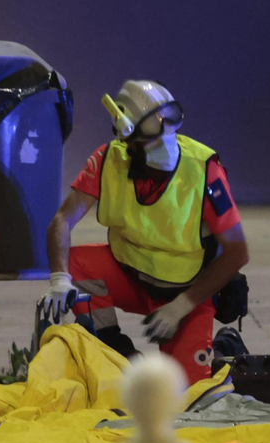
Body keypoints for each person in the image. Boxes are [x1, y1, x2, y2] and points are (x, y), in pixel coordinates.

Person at [39, 80, 249, 384]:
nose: (165, 145)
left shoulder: (205, 170)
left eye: (166, 132)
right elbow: (61, 221)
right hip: (131, 277)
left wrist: (181, 306)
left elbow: (237, 252)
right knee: (75, 265)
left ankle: (224, 349)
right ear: (129, 142)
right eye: (152, 138)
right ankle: (115, 348)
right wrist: (59, 280)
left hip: (184, 291)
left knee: (187, 392)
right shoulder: (107, 160)